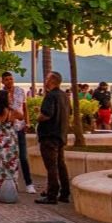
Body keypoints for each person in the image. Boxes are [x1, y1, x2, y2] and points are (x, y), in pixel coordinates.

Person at [35, 72, 71, 205]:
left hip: (49, 136)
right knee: (61, 164)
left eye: (47, 78)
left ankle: (52, 195)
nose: (45, 80)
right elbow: (69, 113)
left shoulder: (50, 96)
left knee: (51, 166)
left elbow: (46, 114)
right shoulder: (64, 96)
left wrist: (38, 117)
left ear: (52, 80)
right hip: (61, 135)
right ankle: (65, 193)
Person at [2, 71, 35, 194]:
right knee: (9, 158)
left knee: (23, 157)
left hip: (20, 128)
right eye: (6, 79)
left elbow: (25, 108)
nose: (9, 81)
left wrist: (27, 123)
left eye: (11, 79)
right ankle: (10, 183)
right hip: (7, 130)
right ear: (2, 81)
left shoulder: (20, 91)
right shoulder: (0, 94)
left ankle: (29, 183)